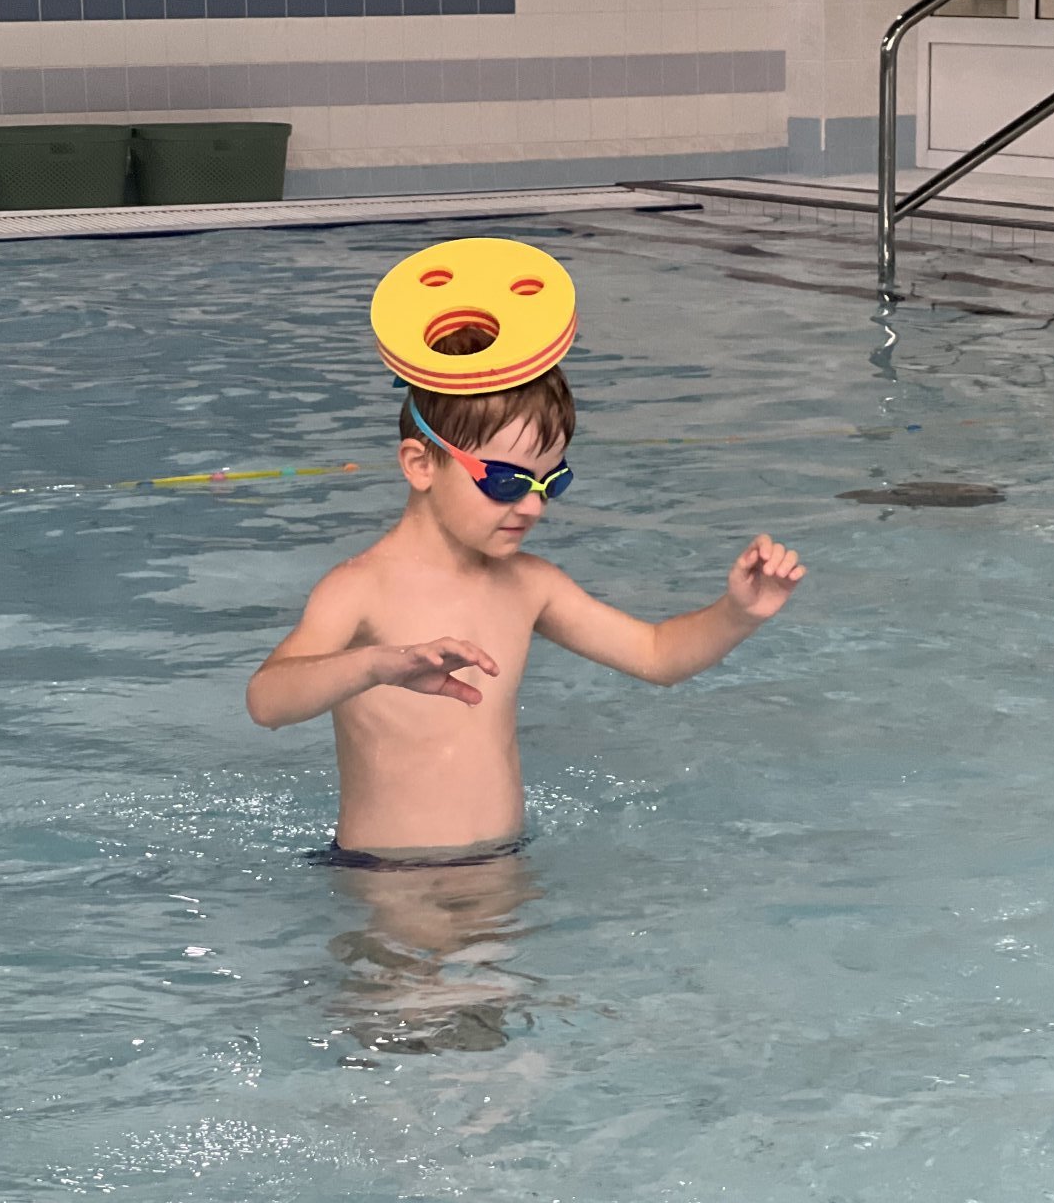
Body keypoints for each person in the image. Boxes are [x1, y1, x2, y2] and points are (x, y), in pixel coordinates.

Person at [246, 236, 805, 861]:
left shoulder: (530, 584)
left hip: (503, 867)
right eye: (508, 481)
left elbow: (656, 655)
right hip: (391, 876)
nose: (533, 506)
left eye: (549, 481)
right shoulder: (361, 589)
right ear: (421, 464)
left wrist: (737, 614)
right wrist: (376, 666)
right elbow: (267, 701)